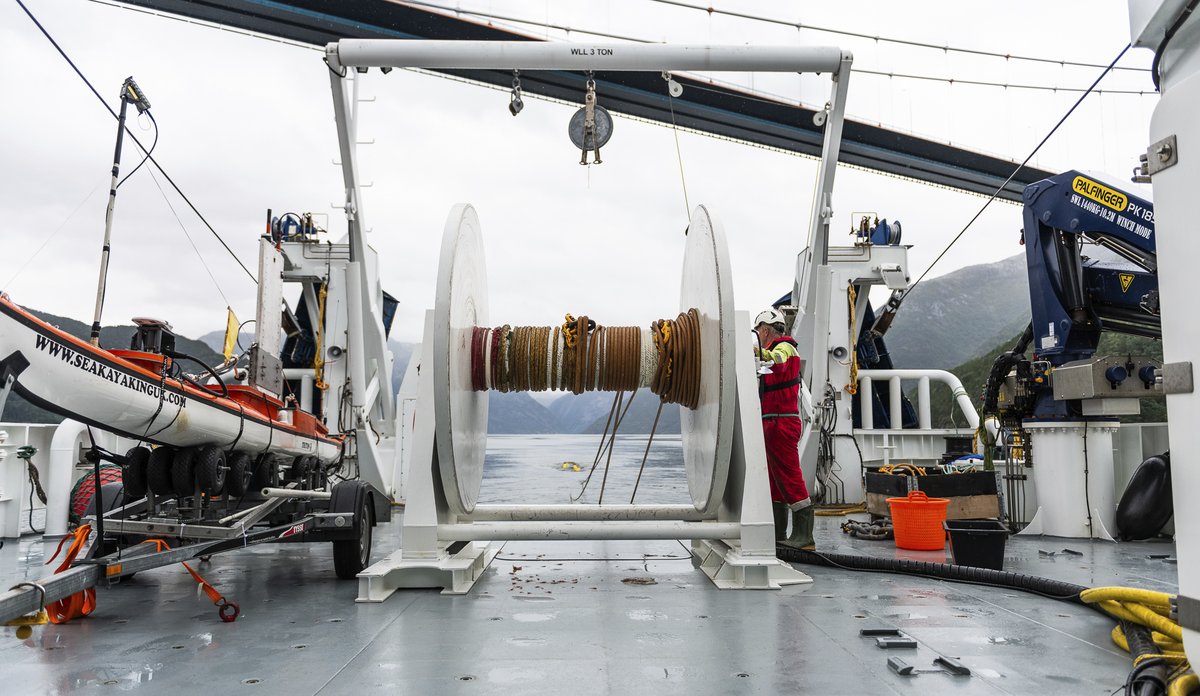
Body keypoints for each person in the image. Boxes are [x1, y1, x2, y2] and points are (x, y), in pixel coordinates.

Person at [753, 308, 814, 550]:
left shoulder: (785, 347)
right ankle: (779, 531)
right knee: (774, 479)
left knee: (789, 476)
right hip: (772, 421)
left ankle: (804, 535)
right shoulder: (775, 349)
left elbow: (776, 359)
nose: (758, 336)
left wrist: (755, 352)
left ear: (765, 331)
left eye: (758, 332)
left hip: (782, 422)